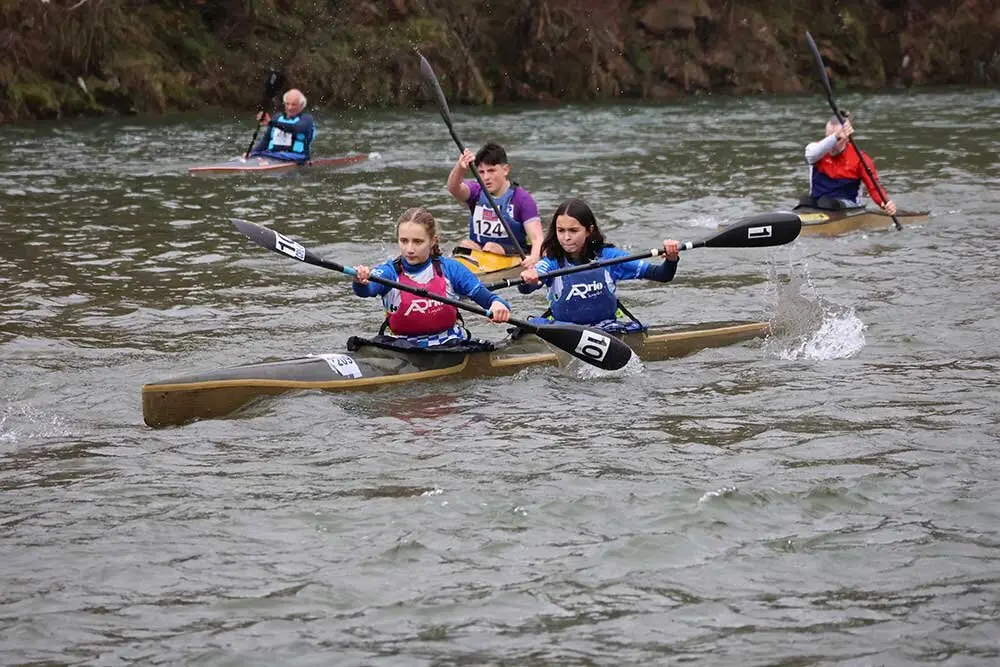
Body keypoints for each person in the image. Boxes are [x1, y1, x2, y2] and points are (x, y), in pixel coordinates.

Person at [352, 207, 511, 347]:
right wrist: (360, 281)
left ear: (432, 241)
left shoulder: (451, 269)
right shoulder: (389, 272)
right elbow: (366, 291)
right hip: (400, 346)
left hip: (448, 345)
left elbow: (489, 299)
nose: (409, 249)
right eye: (404, 241)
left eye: (418, 242)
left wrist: (498, 306)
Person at [518, 198, 680, 332]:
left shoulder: (610, 258)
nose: (566, 237)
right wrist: (528, 279)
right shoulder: (551, 263)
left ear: (589, 230)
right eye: (561, 230)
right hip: (565, 333)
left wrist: (671, 259)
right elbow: (527, 288)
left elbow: (662, 275)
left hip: (608, 329)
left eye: (574, 231)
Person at [447, 142, 543, 268]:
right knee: (465, 244)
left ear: (505, 170)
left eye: (491, 171)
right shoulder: (476, 192)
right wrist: (460, 168)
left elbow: (537, 238)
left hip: (512, 252)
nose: (486, 177)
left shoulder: (522, 199)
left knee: (491, 247)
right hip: (480, 252)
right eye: (481, 172)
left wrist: (534, 259)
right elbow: (453, 188)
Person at [804, 112, 896, 215]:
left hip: (848, 206)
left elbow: (873, 186)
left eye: (838, 139)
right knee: (805, 202)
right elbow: (811, 154)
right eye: (829, 138)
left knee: (826, 202)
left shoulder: (860, 158)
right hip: (818, 203)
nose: (831, 144)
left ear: (847, 138)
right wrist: (835, 137)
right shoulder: (816, 151)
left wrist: (884, 203)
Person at [245, 88, 316, 164]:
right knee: (254, 154)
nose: (289, 107)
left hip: (296, 157)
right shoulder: (277, 118)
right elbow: (265, 141)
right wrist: (252, 153)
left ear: (301, 106)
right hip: (272, 155)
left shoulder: (307, 119)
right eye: (287, 104)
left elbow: (295, 128)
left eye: (294, 104)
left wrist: (271, 122)